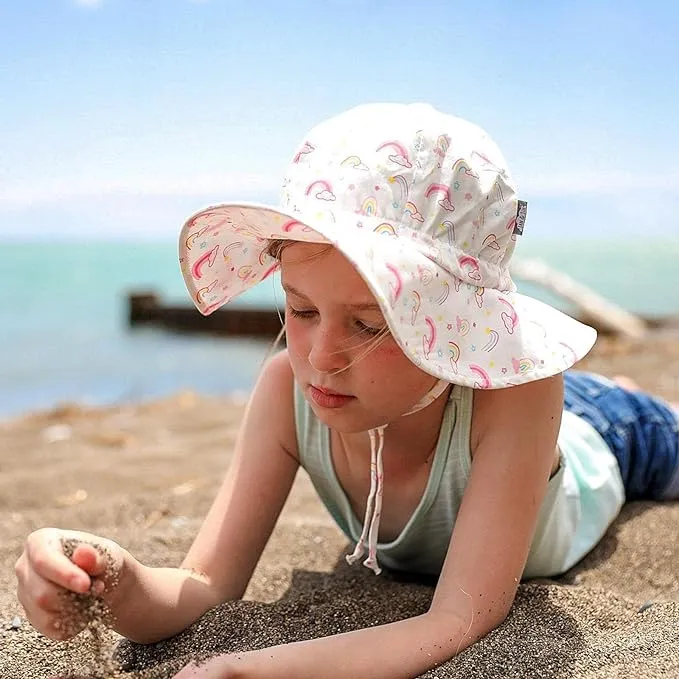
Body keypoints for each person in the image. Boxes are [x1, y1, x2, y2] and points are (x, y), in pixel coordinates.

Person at [15, 103, 679, 679]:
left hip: (608, 435)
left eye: (368, 322)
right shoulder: (286, 387)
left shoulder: (522, 390)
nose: (319, 356)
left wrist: (260, 664)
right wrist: (109, 577)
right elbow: (204, 586)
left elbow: (457, 618)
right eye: (300, 310)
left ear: (455, 326)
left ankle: (610, 393)